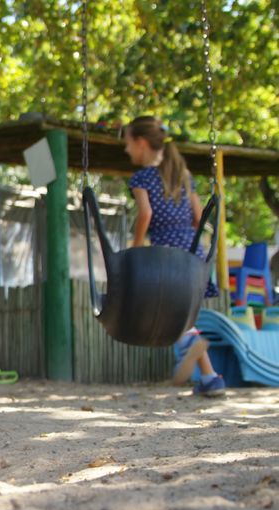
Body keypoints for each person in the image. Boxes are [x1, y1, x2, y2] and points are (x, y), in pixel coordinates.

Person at [124, 116, 225, 397]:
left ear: (142, 143)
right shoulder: (182, 174)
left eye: (128, 144)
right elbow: (197, 218)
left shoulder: (141, 177)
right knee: (182, 313)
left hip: (164, 255)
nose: (126, 150)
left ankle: (191, 347)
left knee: (168, 314)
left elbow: (146, 214)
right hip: (191, 253)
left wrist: (136, 247)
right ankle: (210, 377)